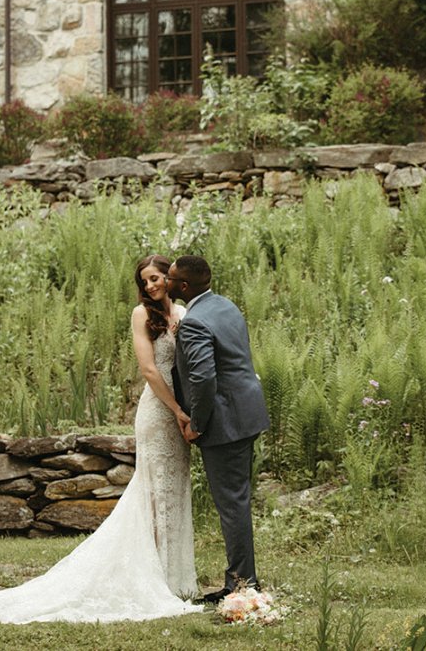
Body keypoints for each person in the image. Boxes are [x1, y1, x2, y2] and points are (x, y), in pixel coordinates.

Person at [0, 254, 202, 624]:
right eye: (145, 282)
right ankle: (154, 578)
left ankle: (178, 579)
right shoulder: (142, 316)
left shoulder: (185, 315)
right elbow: (149, 370)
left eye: (156, 279)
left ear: (170, 278)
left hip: (181, 413)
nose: (151, 286)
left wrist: (191, 412)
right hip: (158, 411)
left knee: (175, 489)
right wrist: (177, 410)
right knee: (153, 491)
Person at [166, 254, 270, 603]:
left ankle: (243, 584)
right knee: (237, 500)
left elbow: (204, 378)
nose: (165, 283)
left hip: (225, 421)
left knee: (232, 504)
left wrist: (197, 424)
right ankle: (242, 578)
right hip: (246, 413)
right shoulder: (224, 305)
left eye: (169, 278)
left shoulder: (194, 322)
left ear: (183, 286)